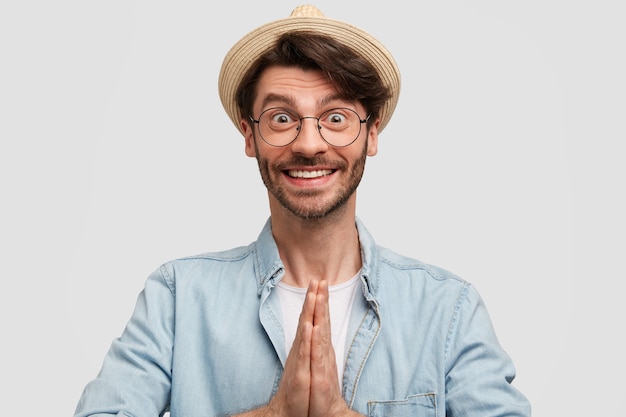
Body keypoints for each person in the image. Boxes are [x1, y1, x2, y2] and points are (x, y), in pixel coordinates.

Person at [74, 5, 531, 417]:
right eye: (281, 118)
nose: (309, 143)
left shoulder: (447, 309)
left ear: (371, 134)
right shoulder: (177, 298)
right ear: (249, 137)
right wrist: (272, 416)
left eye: (336, 118)